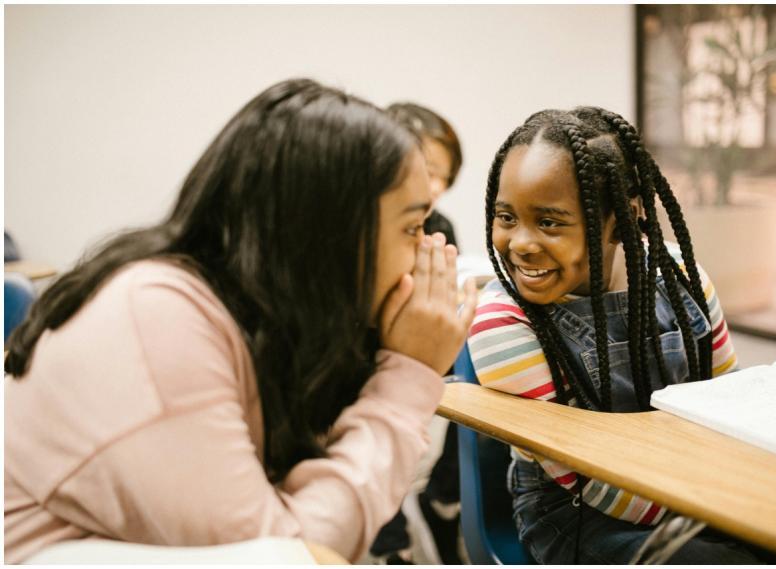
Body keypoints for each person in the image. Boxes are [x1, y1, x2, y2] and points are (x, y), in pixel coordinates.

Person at [4, 78, 478, 564]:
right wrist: (408, 375)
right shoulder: (157, 321)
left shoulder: (253, 316)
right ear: (326, 231)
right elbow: (295, 555)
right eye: (412, 227)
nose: (426, 251)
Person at [467, 106, 776, 564]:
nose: (520, 243)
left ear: (623, 218)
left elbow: (729, 404)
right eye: (506, 217)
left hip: (699, 490)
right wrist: (720, 512)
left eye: (550, 222)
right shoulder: (502, 322)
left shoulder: (680, 277)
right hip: (580, 517)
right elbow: (589, 481)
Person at [367, 102, 465, 565]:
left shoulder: (441, 228)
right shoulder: (362, 227)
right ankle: (388, 536)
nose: (435, 187)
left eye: (444, 177)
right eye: (427, 170)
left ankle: (446, 498)